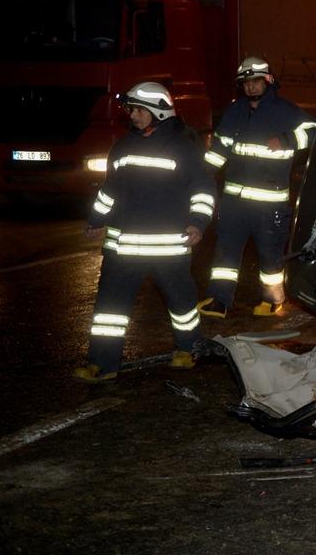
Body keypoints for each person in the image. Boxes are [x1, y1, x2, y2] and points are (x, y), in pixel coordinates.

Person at [74, 82, 216, 383]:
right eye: (133, 110)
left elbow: (203, 190)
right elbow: (109, 190)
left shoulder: (184, 149)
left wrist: (197, 223)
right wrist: (96, 219)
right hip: (123, 248)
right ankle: (102, 364)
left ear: (159, 113)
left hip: (168, 249)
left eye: (140, 110)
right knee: (109, 312)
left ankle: (188, 349)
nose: (134, 116)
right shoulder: (122, 148)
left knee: (181, 304)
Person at [198, 57, 316, 318]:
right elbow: (220, 148)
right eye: (246, 83)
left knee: (270, 256)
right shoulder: (234, 111)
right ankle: (220, 301)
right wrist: (202, 173)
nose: (251, 88)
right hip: (234, 202)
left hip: (269, 203)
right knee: (225, 253)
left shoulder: (285, 111)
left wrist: (287, 140)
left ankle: (273, 300)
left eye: (256, 82)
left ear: (268, 81)